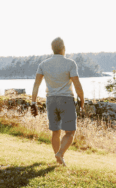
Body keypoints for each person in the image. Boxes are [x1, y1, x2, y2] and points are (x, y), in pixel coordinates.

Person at [30, 37, 85, 166]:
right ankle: (60, 154)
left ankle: (59, 160)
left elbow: (36, 84)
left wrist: (33, 103)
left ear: (52, 49)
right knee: (70, 132)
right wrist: (82, 100)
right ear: (64, 48)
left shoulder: (43, 64)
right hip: (66, 100)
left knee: (55, 131)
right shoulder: (70, 63)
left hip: (51, 100)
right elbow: (77, 84)